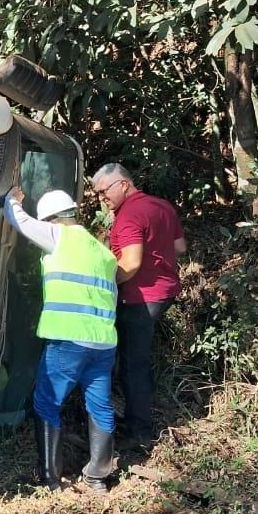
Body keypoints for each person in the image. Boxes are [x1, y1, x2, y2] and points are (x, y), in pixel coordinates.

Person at [4, 186, 119, 492]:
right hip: (104, 344)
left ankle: (50, 479)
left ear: (53, 219)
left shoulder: (60, 237)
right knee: (100, 407)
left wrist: (11, 200)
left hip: (69, 340)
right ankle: (97, 476)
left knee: (46, 403)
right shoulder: (104, 254)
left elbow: (21, 222)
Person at [90, 163, 186, 450]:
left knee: (134, 364)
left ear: (123, 184)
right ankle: (134, 416)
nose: (101, 199)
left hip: (139, 298)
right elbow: (179, 247)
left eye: (104, 191)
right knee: (137, 359)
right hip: (164, 292)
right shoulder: (161, 206)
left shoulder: (129, 214)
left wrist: (104, 284)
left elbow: (130, 263)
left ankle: (139, 432)